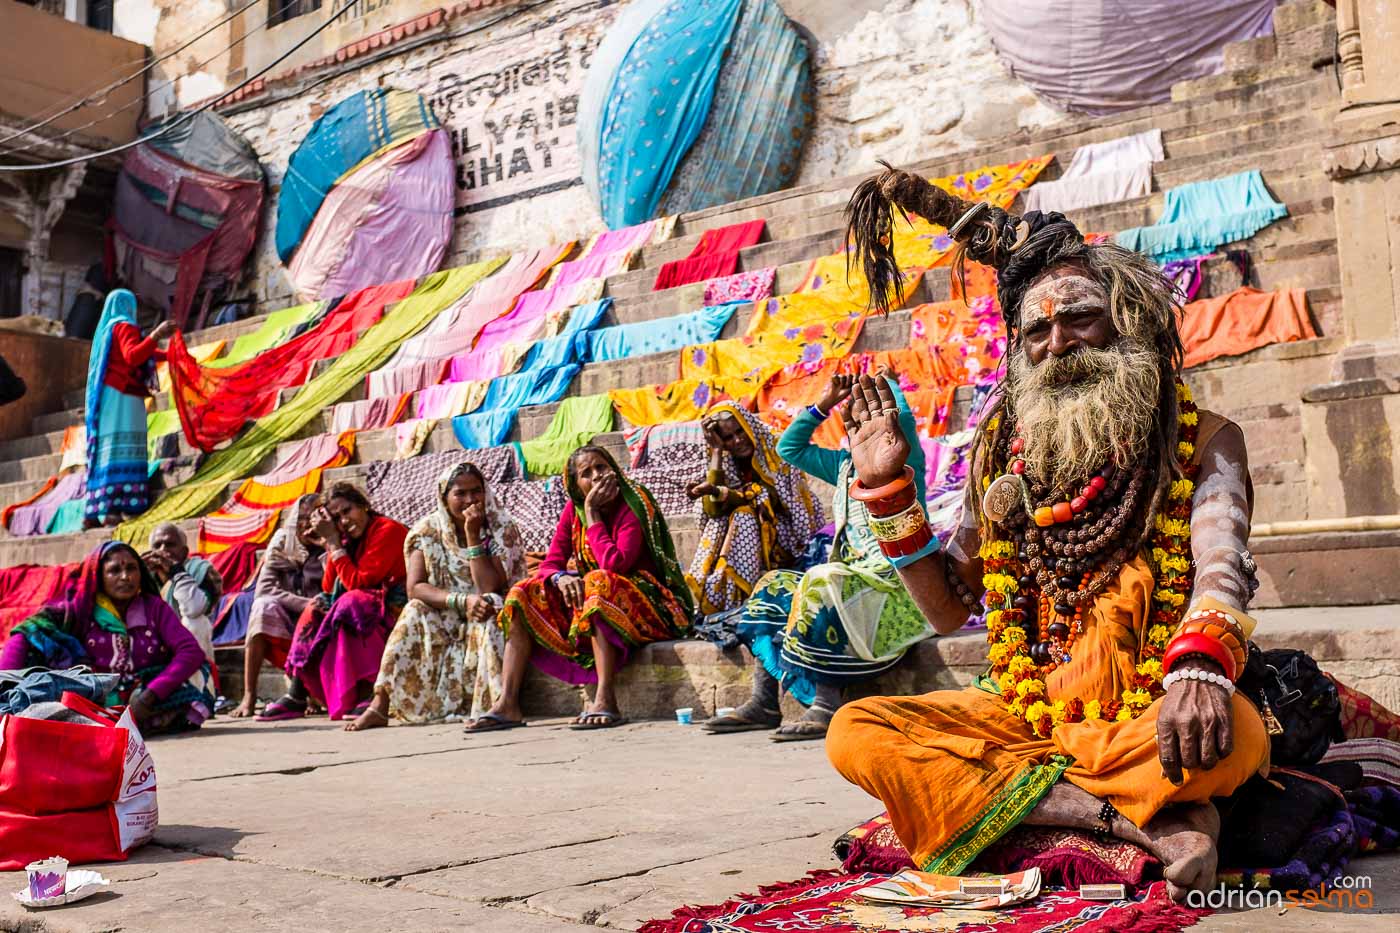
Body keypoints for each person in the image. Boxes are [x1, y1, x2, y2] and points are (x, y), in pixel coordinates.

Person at [824, 166, 1270, 901]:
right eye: (1038, 329)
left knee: (1238, 737)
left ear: (1123, 321)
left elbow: (1222, 567)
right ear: (1020, 348)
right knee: (856, 730)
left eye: (1080, 318)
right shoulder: (1005, 450)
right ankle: (1133, 827)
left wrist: (1199, 674)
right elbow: (945, 609)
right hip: (1026, 712)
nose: (1059, 341)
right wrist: (886, 492)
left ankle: (1017, 810)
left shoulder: (1204, 440)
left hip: (1146, 713)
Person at [704, 372, 937, 742]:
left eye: (871, 413)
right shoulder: (843, 466)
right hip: (855, 577)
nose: (863, 422)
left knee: (824, 579)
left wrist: (890, 391)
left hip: (898, 580)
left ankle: (826, 704)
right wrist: (822, 404)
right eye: (855, 415)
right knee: (774, 583)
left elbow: (898, 418)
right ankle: (764, 701)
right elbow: (789, 449)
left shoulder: (902, 453)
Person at [470, 445, 692, 731]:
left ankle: (605, 698)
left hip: (652, 603)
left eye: (601, 467)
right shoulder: (572, 511)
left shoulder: (634, 500)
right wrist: (560, 577)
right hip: (597, 597)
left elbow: (615, 565)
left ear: (613, 468)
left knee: (599, 582)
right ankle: (508, 702)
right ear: (576, 485)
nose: (597, 477)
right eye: (587, 474)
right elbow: (551, 563)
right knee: (521, 593)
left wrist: (592, 513)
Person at [346, 462, 526, 731]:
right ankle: (380, 705)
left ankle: (498, 702)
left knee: (493, 603)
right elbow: (415, 586)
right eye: (460, 494)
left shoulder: (500, 525)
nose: (469, 500)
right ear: (444, 496)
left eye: (476, 492)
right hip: (448, 608)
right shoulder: (426, 530)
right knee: (414, 609)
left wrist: (473, 534)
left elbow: (489, 585)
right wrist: (460, 601)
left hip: (486, 608)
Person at [0, 542, 213, 733]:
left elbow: (190, 651)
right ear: (98, 575)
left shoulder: (153, 607)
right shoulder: (78, 611)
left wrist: (150, 695)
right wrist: (5, 685)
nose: (125, 577)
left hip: (146, 697)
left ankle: (119, 724)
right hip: (92, 696)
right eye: (114, 570)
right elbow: (25, 635)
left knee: (193, 683)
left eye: (131, 568)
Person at [258, 483, 408, 722]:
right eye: (336, 518)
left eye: (347, 511)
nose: (344, 521)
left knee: (353, 602)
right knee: (316, 606)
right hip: (366, 606)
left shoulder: (386, 530)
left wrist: (335, 544)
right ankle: (297, 693)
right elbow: (329, 588)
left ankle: (370, 691)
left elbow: (359, 583)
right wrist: (332, 543)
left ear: (363, 506)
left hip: (399, 607)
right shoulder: (347, 540)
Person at [684, 402, 823, 618]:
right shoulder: (726, 459)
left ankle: (742, 593)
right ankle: (727, 593)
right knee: (718, 516)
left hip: (786, 534)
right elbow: (712, 511)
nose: (738, 440)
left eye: (740, 431)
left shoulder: (776, 447)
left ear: (749, 424)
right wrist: (717, 452)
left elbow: (769, 498)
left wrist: (718, 491)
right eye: (728, 438)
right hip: (746, 539)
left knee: (744, 514)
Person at [228, 495, 326, 719]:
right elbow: (264, 590)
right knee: (262, 608)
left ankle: (304, 692)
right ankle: (249, 696)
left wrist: (327, 544)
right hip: (291, 628)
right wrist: (308, 604)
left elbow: (334, 590)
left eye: (313, 517)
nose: (306, 524)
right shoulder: (283, 542)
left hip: (322, 631)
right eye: (301, 518)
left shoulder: (332, 543)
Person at [83, 289, 174, 527]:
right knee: (122, 446)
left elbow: (140, 352)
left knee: (108, 447)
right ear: (128, 306)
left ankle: (94, 512)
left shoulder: (107, 330)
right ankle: (115, 508)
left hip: (109, 396)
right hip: (124, 395)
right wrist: (157, 334)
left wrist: (168, 355)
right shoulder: (125, 327)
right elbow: (134, 356)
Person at [143, 522, 222, 667]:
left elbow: (194, 608)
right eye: (157, 545)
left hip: (188, 641)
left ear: (184, 552)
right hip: (153, 643)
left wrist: (176, 571)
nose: (163, 550)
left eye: (170, 544)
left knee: (196, 622)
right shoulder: (144, 575)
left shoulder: (201, 571)